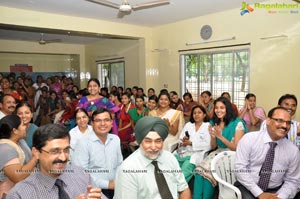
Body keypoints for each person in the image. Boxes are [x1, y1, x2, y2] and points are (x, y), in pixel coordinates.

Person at [6, 123, 103, 199]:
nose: (63, 158)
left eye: (66, 150)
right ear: (36, 153)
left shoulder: (82, 175)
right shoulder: (20, 194)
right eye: (54, 151)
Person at [114, 116, 191, 199]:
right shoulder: (128, 169)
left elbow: (183, 189)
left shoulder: (170, 158)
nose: (154, 147)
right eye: (148, 141)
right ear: (139, 141)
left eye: (158, 141)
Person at [234, 107, 300, 199]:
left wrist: (281, 197)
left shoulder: (292, 150)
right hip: (248, 186)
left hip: (275, 189)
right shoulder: (249, 139)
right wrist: (259, 193)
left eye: (288, 123)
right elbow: (240, 168)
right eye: (280, 120)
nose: (285, 125)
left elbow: (292, 180)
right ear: (268, 121)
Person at [193, 96, 247, 199]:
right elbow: (213, 146)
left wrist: (220, 136)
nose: (218, 110)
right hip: (218, 152)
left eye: (222, 107)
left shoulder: (237, 123)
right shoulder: (214, 122)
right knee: (199, 172)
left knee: (208, 175)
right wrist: (213, 137)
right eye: (216, 108)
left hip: (232, 156)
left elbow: (237, 148)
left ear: (227, 108)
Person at [73, 108, 123, 199]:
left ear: (112, 123)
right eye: (98, 120)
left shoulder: (115, 139)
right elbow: (81, 173)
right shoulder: (83, 143)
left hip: (116, 188)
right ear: (92, 123)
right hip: (92, 191)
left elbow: (120, 163)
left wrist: (119, 181)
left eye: (106, 120)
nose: (103, 124)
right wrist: (108, 184)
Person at [0, 115, 38, 198]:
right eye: (23, 125)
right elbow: (17, 176)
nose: (26, 127)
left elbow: (28, 165)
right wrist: (35, 158)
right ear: (15, 131)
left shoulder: (21, 141)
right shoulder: (5, 148)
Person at [175, 105, 211, 183]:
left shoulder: (207, 126)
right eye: (194, 113)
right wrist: (183, 141)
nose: (196, 115)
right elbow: (180, 140)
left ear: (204, 115)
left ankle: (178, 191)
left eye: (199, 113)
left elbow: (209, 145)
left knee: (183, 174)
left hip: (195, 156)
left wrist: (191, 143)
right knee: (170, 169)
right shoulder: (188, 125)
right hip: (183, 153)